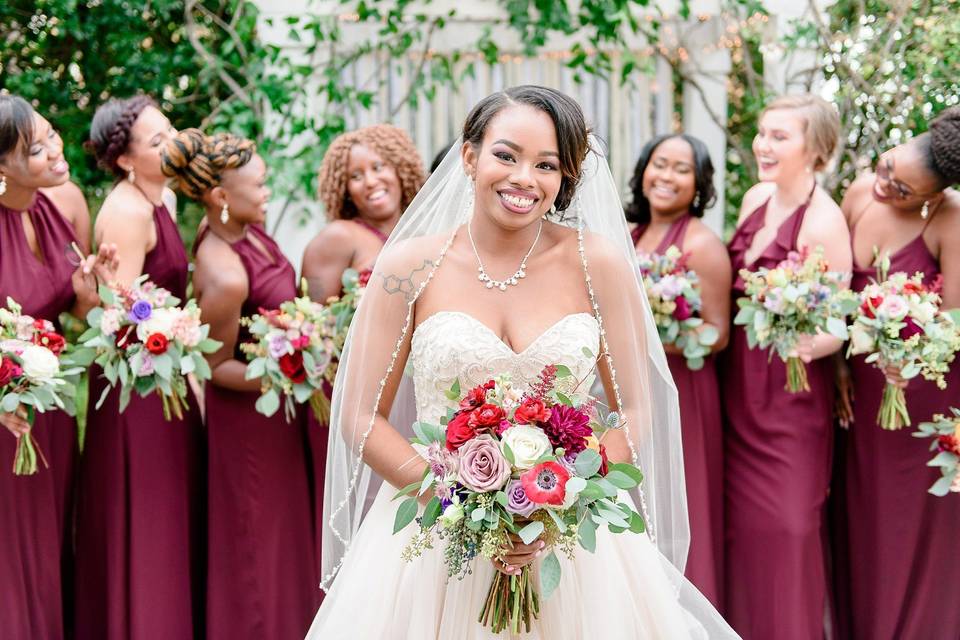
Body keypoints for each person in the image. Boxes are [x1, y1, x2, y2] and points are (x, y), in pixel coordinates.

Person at [307, 85, 738, 638]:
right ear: (470, 157)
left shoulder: (598, 262)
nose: (523, 179)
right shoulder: (407, 265)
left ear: (565, 179)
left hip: (570, 536)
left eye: (547, 165)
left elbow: (634, 408)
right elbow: (360, 416)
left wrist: (556, 503)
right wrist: (462, 504)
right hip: (435, 537)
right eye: (505, 155)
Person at [162, 128, 319, 639]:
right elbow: (211, 365)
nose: (268, 190)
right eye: (259, 183)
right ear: (222, 197)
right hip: (250, 425)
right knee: (257, 545)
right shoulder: (225, 274)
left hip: (277, 413)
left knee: (284, 542)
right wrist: (291, 370)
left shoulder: (245, 227)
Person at [719, 94, 852, 639]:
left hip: (788, 400)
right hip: (734, 390)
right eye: (763, 132)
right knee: (741, 533)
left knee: (788, 528)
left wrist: (802, 344)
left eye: (780, 136)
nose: (763, 145)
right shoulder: (755, 197)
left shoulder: (824, 221)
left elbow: (839, 324)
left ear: (815, 150)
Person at [73, 95, 205, 640]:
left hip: (168, 376)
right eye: (155, 141)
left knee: (172, 520)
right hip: (137, 391)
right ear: (126, 160)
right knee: (146, 520)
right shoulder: (125, 212)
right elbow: (116, 318)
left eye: (169, 129)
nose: (171, 142)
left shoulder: (164, 198)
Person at [832, 106, 960, 639]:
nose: (884, 186)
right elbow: (835, 290)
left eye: (903, 189)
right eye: (886, 168)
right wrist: (840, 365)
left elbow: (953, 322)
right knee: (861, 514)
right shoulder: (861, 193)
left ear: (933, 197)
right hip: (857, 386)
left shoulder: (951, 220)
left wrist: (907, 345)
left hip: (919, 391)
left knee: (908, 520)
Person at [0, 94, 116, 640]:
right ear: (2, 166)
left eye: (51, 134)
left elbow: (75, 309)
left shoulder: (63, 204)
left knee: (48, 545)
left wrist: (92, 290)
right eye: (36, 148)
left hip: (50, 411)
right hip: (6, 419)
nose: (55, 152)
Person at [626, 133, 730, 608]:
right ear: (644, 169)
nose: (666, 176)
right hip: (627, 388)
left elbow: (719, 333)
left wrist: (660, 327)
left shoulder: (703, 244)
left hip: (683, 389)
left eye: (681, 169)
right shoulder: (627, 233)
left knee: (678, 501)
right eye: (659, 164)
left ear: (699, 184)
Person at [302, 124, 425, 302]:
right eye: (356, 177)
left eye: (378, 167)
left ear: (400, 170)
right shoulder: (339, 236)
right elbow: (312, 320)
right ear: (346, 191)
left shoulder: (421, 233)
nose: (370, 182)